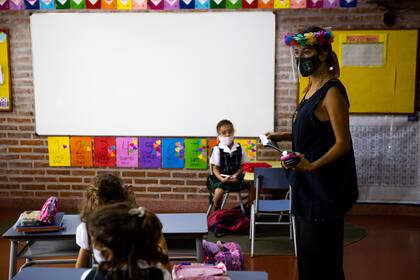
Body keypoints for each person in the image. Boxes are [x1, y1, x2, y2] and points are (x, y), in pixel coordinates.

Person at [267, 27, 359, 280]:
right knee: (307, 258)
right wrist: (283, 135)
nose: (300, 58)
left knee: (324, 262)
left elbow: (342, 143)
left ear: (322, 54)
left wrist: (312, 165)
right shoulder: (309, 88)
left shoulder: (332, 91)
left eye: (306, 51)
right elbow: (315, 130)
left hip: (324, 188)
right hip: (305, 186)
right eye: (297, 52)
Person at [80, 202, 171, 280]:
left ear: (109, 252)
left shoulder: (90, 276)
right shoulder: (162, 276)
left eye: (95, 242)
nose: (93, 245)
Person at [75, 173, 138, 268]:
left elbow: (79, 267)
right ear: (122, 197)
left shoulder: (86, 229)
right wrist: (133, 205)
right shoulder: (135, 223)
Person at [207, 119, 248, 210]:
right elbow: (215, 169)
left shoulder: (239, 147)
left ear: (234, 132)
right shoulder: (217, 149)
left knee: (253, 185)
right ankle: (217, 212)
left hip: (236, 177)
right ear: (219, 135)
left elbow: (243, 165)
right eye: (224, 133)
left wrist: (236, 175)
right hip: (220, 178)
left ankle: (250, 209)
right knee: (218, 193)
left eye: (230, 132)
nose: (227, 134)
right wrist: (222, 179)